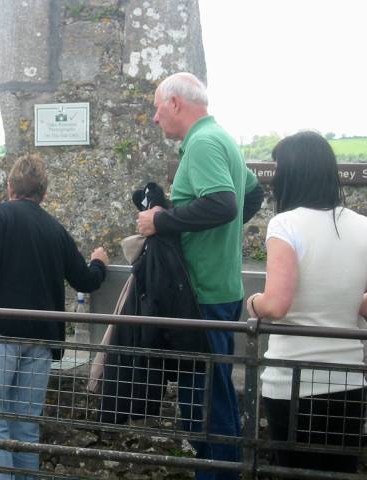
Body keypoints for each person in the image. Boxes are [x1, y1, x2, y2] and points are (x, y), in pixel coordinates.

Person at [137, 72, 263, 480]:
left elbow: (225, 205)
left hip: (204, 293)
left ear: (175, 103)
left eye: (157, 107)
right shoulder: (220, 138)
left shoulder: (205, 143)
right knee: (211, 397)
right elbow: (251, 194)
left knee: (206, 405)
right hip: (217, 287)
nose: (155, 118)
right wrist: (216, 238)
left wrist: (163, 219)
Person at [0, 153, 109, 479]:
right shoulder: (55, 229)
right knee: (25, 427)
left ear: (10, 187)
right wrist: (100, 262)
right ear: (44, 193)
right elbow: (85, 280)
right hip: (41, 339)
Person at [246, 131, 367, 474]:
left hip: (292, 381)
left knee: (294, 470)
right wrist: (346, 298)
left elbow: (277, 305)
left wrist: (254, 302)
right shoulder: (362, 226)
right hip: (349, 380)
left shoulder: (285, 224)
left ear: (290, 174)